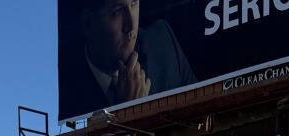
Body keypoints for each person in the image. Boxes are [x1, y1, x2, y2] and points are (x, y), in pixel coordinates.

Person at [61, 0, 196, 119]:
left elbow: (198, 108)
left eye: (134, 3)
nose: (131, 27)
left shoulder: (162, 42)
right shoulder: (67, 89)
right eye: (118, 11)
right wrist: (126, 115)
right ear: (88, 23)